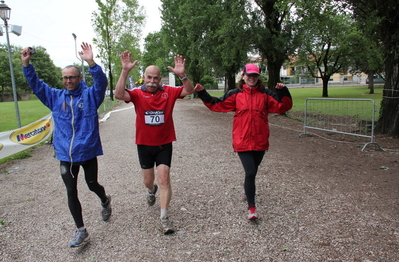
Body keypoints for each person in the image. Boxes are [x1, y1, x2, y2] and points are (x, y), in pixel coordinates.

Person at [21, 43, 112, 247]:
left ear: (79, 78)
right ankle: (81, 231)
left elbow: (101, 83)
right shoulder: (55, 97)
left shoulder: (91, 96)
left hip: (87, 151)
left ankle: (105, 200)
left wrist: (91, 63)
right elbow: (36, 85)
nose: (68, 80)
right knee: (71, 191)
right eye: (65, 77)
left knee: (92, 184)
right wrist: (27, 65)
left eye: (72, 77)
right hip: (65, 154)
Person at [194, 63, 293, 220]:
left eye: (254, 75)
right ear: (243, 75)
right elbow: (217, 104)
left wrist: (283, 91)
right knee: (250, 172)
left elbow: (282, 107)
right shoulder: (235, 94)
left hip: (260, 141)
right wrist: (202, 93)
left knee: (252, 172)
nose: (252, 78)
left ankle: (247, 190)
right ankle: (252, 208)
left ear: (258, 77)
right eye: (249, 75)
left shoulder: (266, 94)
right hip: (242, 141)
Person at [115, 51, 194, 234]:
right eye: (149, 77)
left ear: (160, 79)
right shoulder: (136, 94)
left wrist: (182, 75)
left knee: (164, 178)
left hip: (164, 143)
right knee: (148, 181)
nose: (152, 81)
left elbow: (189, 91)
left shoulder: (168, 92)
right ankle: (151, 191)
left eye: (155, 78)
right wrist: (124, 71)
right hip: (144, 144)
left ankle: (164, 217)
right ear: (144, 78)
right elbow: (119, 95)